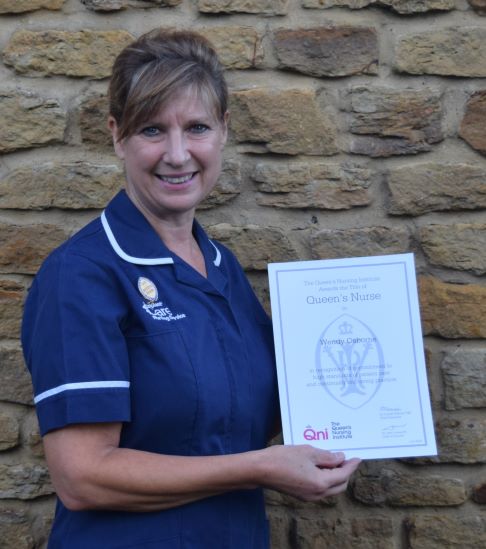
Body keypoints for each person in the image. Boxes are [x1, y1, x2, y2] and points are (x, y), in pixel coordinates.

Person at [21, 29, 361, 548]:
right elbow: (83, 477)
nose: (178, 155)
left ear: (223, 131)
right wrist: (260, 468)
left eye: (197, 127)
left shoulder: (224, 269)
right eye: (152, 130)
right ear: (117, 136)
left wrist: (356, 409)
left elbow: (252, 418)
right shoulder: (82, 274)